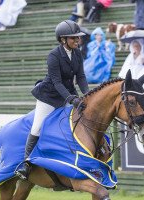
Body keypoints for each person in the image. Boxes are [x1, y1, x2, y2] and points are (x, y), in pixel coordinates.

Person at [16, 20, 89, 180]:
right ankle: (25, 164)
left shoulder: (77, 53)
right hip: (48, 96)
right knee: (37, 128)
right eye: (73, 38)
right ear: (63, 39)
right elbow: (56, 82)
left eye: (78, 38)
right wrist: (71, 99)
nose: (77, 41)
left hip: (67, 95)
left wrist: (87, 94)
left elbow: (81, 77)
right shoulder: (54, 55)